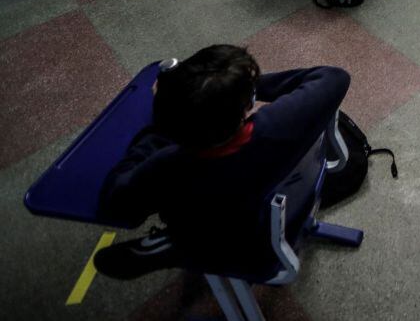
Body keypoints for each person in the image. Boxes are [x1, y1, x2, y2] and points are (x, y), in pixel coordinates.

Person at [93, 45, 354, 279]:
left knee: (189, 213)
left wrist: (156, 131)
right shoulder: (280, 125)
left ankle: (176, 245)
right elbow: (334, 76)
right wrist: (241, 88)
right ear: (244, 107)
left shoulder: (169, 166)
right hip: (288, 204)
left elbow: (116, 204)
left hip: (226, 239)